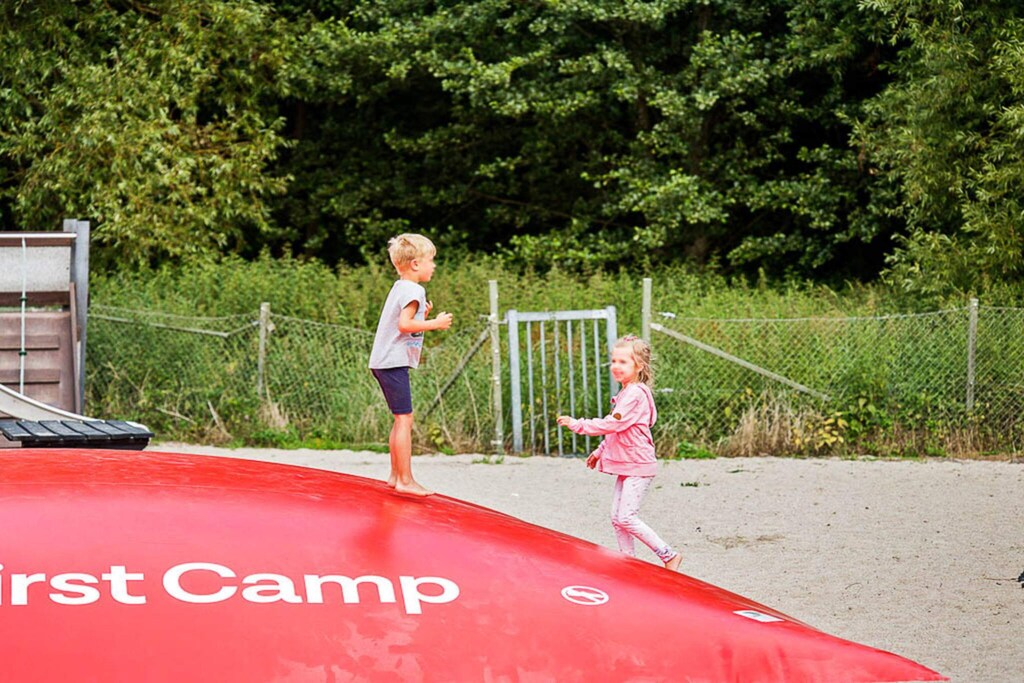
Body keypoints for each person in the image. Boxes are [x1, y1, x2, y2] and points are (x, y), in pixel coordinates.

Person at [557, 335, 682, 571]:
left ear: (639, 366)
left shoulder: (635, 394)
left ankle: (669, 555)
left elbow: (613, 424)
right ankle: (629, 563)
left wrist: (577, 424)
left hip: (638, 465)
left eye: (623, 362)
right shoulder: (627, 392)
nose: (616, 366)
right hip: (627, 464)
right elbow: (620, 431)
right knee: (617, 518)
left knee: (625, 517)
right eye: (614, 361)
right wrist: (600, 450)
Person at [369, 233, 452, 496]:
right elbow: (404, 325)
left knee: (400, 418)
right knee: (404, 419)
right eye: (431, 260)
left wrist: (422, 316)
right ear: (415, 264)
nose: (434, 265)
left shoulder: (400, 287)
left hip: (384, 361)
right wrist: (435, 323)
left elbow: (407, 324)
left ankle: (396, 476)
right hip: (392, 361)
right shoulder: (415, 290)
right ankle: (405, 479)